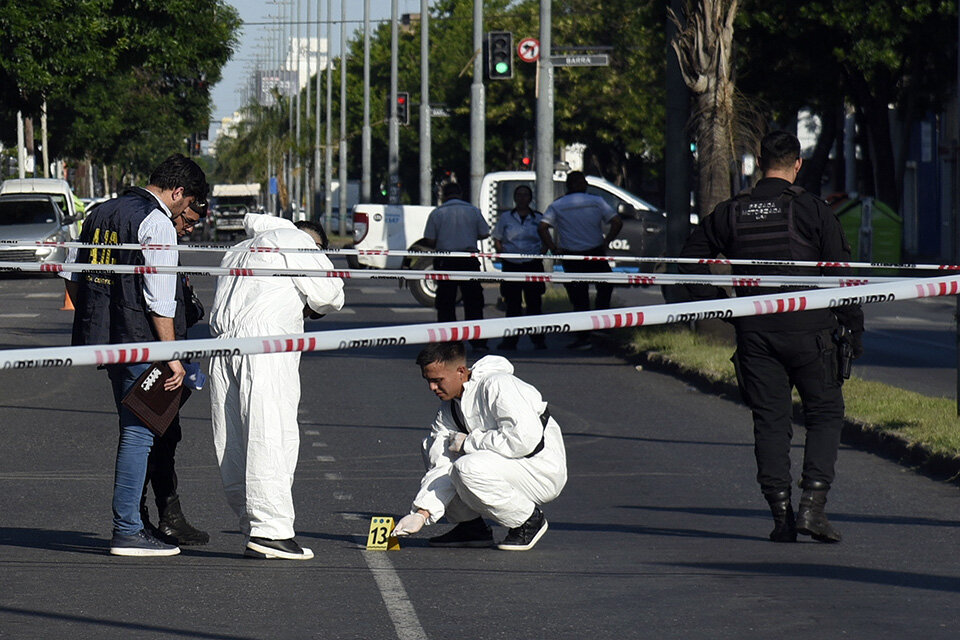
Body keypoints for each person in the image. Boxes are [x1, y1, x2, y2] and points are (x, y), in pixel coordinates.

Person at [678, 130, 864, 543]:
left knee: (770, 422)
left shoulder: (731, 212)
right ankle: (811, 510)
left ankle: (780, 517)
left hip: (756, 333)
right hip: (811, 332)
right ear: (797, 164)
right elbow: (840, 277)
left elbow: (686, 263)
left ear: (760, 161)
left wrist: (727, 307)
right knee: (825, 414)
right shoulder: (814, 210)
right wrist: (854, 326)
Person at [64, 153, 209, 557]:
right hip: (143, 342)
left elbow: (73, 280)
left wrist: (101, 319)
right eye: (189, 204)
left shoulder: (99, 213)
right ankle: (127, 528)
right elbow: (160, 299)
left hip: (107, 339)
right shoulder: (157, 221)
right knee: (139, 435)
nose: (185, 215)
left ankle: (135, 522)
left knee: (133, 431)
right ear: (178, 192)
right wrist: (171, 355)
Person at [208, 214, 345, 560]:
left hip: (223, 347)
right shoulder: (294, 241)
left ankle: (253, 524)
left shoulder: (239, 249)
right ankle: (271, 531)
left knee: (234, 440)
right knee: (270, 434)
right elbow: (330, 296)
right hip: (266, 346)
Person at [392, 342, 567, 551]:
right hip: (507, 465)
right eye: (428, 381)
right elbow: (442, 465)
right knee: (434, 447)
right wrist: (422, 514)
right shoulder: (449, 410)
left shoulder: (498, 385)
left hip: (540, 469)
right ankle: (470, 527)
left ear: (461, 371)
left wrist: (469, 442)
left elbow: (524, 440)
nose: (432, 388)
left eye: (438, 380)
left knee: (467, 466)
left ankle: (528, 521)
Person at [138, 273, 210, 548]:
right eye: (188, 224)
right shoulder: (157, 232)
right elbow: (159, 302)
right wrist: (173, 356)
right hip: (155, 349)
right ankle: (140, 519)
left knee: (166, 435)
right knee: (146, 437)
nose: (190, 228)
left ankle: (168, 515)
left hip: (163, 345)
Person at [538, 171, 622, 350]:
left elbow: (543, 227)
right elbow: (616, 221)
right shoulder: (597, 201)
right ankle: (602, 326)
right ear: (584, 185)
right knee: (605, 287)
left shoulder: (558, 205)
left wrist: (553, 248)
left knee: (579, 297)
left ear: (568, 186)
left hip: (572, 255)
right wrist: (607, 241)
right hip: (595, 252)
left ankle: (583, 335)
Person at [422, 182, 490, 351]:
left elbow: (430, 239)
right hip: (468, 259)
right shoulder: (473, 211)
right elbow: (484, 233)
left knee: (446, 301)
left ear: (444, 195)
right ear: (460, 193)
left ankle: (448, 342)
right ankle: (477, 341)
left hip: (446, 260)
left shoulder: (438, 213)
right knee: (473, 300)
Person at [491, 185, 547, 350]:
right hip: (512, 265)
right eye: (519, 195)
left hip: (532, 265)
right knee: (512, 304)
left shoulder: (538, 218)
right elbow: (498, 238)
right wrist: (504, 255)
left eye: (525, 195)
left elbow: (546, 239)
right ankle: (510, 340)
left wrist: (540, 254)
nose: (522, 198)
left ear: (531, 199)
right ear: (514, 198)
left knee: (534, 303)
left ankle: (538, 339)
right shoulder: (506, 217)